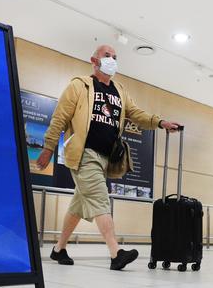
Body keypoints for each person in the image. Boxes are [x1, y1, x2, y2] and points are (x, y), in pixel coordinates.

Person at [36, 44, 181, 270]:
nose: (112, 59)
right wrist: (48, 148)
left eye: (115, 56)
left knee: (79, 206)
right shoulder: (80, 85)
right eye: (107, 56)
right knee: (101, 198)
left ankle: (58, 249)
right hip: (84, 154)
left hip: (106, 158)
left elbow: (136, 114)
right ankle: (116, 253)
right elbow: (60, 117)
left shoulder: (119, 90)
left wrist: (160, 122)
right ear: (94, 60)